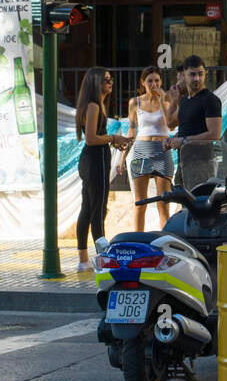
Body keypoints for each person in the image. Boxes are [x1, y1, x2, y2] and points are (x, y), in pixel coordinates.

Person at [75, 68, 128, 269]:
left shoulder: (94, 105)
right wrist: (113, 138)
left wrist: (112, 142)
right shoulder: (94, 106)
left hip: (93, 159)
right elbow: (90, 139)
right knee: (97, 209)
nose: (110, 82)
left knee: (88, 209)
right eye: (106, 79)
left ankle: (84, 260)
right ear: (95, 82)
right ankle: (103, 259)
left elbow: (95, 137)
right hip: (95, 160)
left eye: (110, 79)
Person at [126, 66, 176, 231]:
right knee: (140, 203)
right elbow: (131, 131)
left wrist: (162, 99)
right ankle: (138, 242)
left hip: (162, 151)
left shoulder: (167, 100)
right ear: (143, 82)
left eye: (157, 80)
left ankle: (165, 241)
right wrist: (121, 158)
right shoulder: (135, 102)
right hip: (141, 150)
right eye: (150, 81)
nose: (153, 84)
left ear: (161, 82)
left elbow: (170, 125)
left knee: (163, 202)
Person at [165, 56, 223, 193]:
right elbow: (182, 127)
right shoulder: (185, 100)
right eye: (192, 74)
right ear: (184, 75)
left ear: (205, 74)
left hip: (202, 164)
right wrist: (173, 140)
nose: (197, 78)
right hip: (183, 162)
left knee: (200, 208)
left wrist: (183, 141)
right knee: (186, 209)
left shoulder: (210, 100)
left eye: (200, 74)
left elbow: (214, 135)